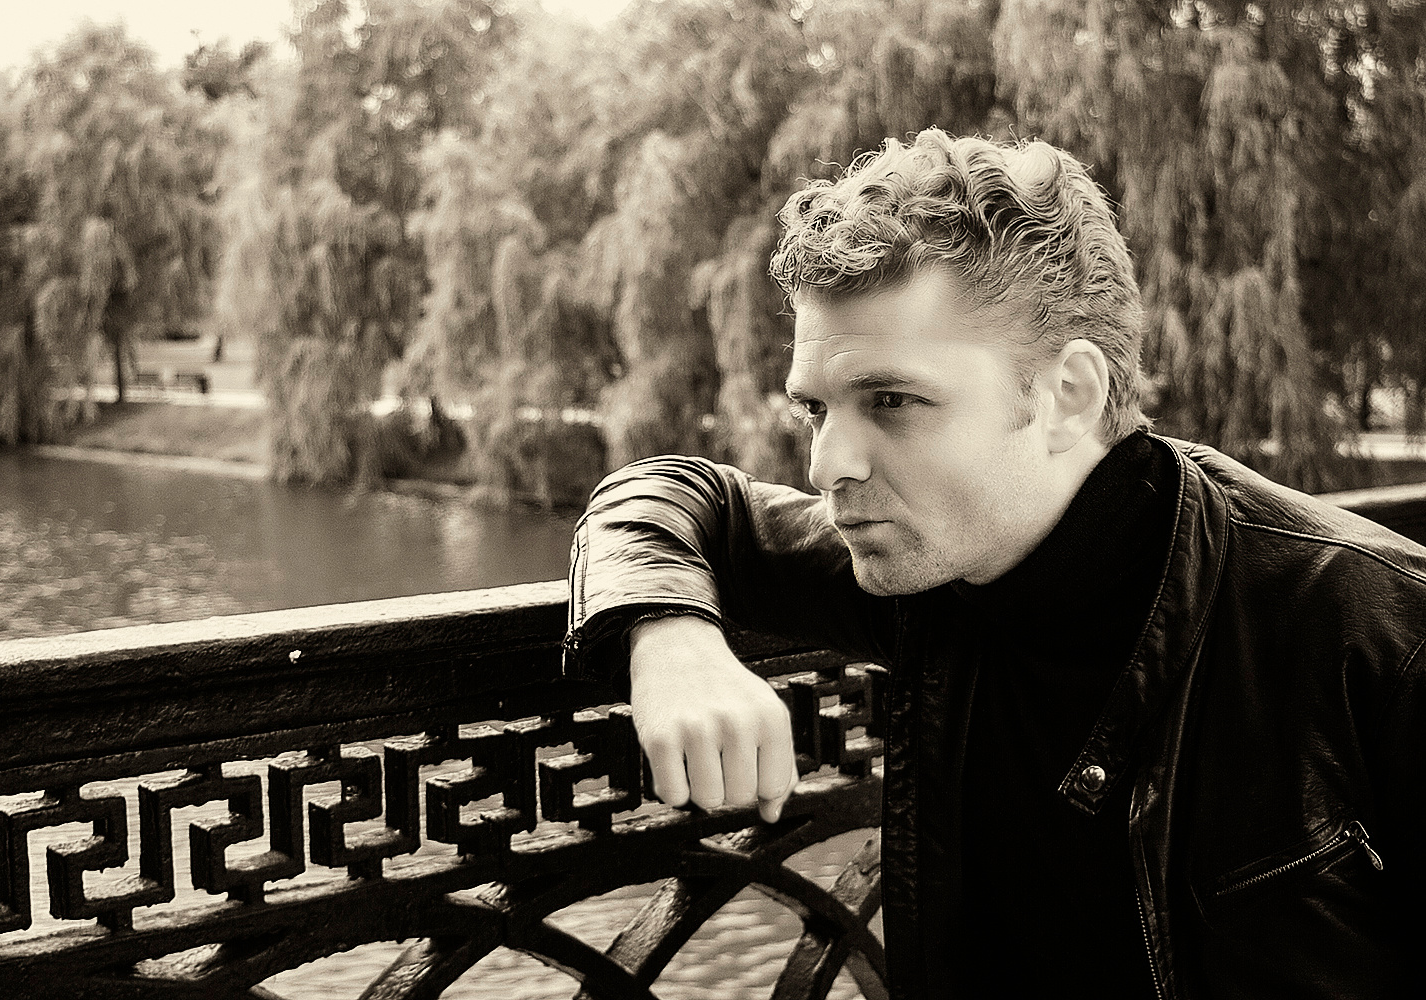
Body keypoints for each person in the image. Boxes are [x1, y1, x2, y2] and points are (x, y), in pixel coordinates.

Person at [561, 129, 1425, 998]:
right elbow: (667, 493)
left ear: (1068, 395)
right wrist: (670, 638)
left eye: (892, 401)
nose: (826, 466)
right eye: (815, 410)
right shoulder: (932, 566)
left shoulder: (1372, 632)